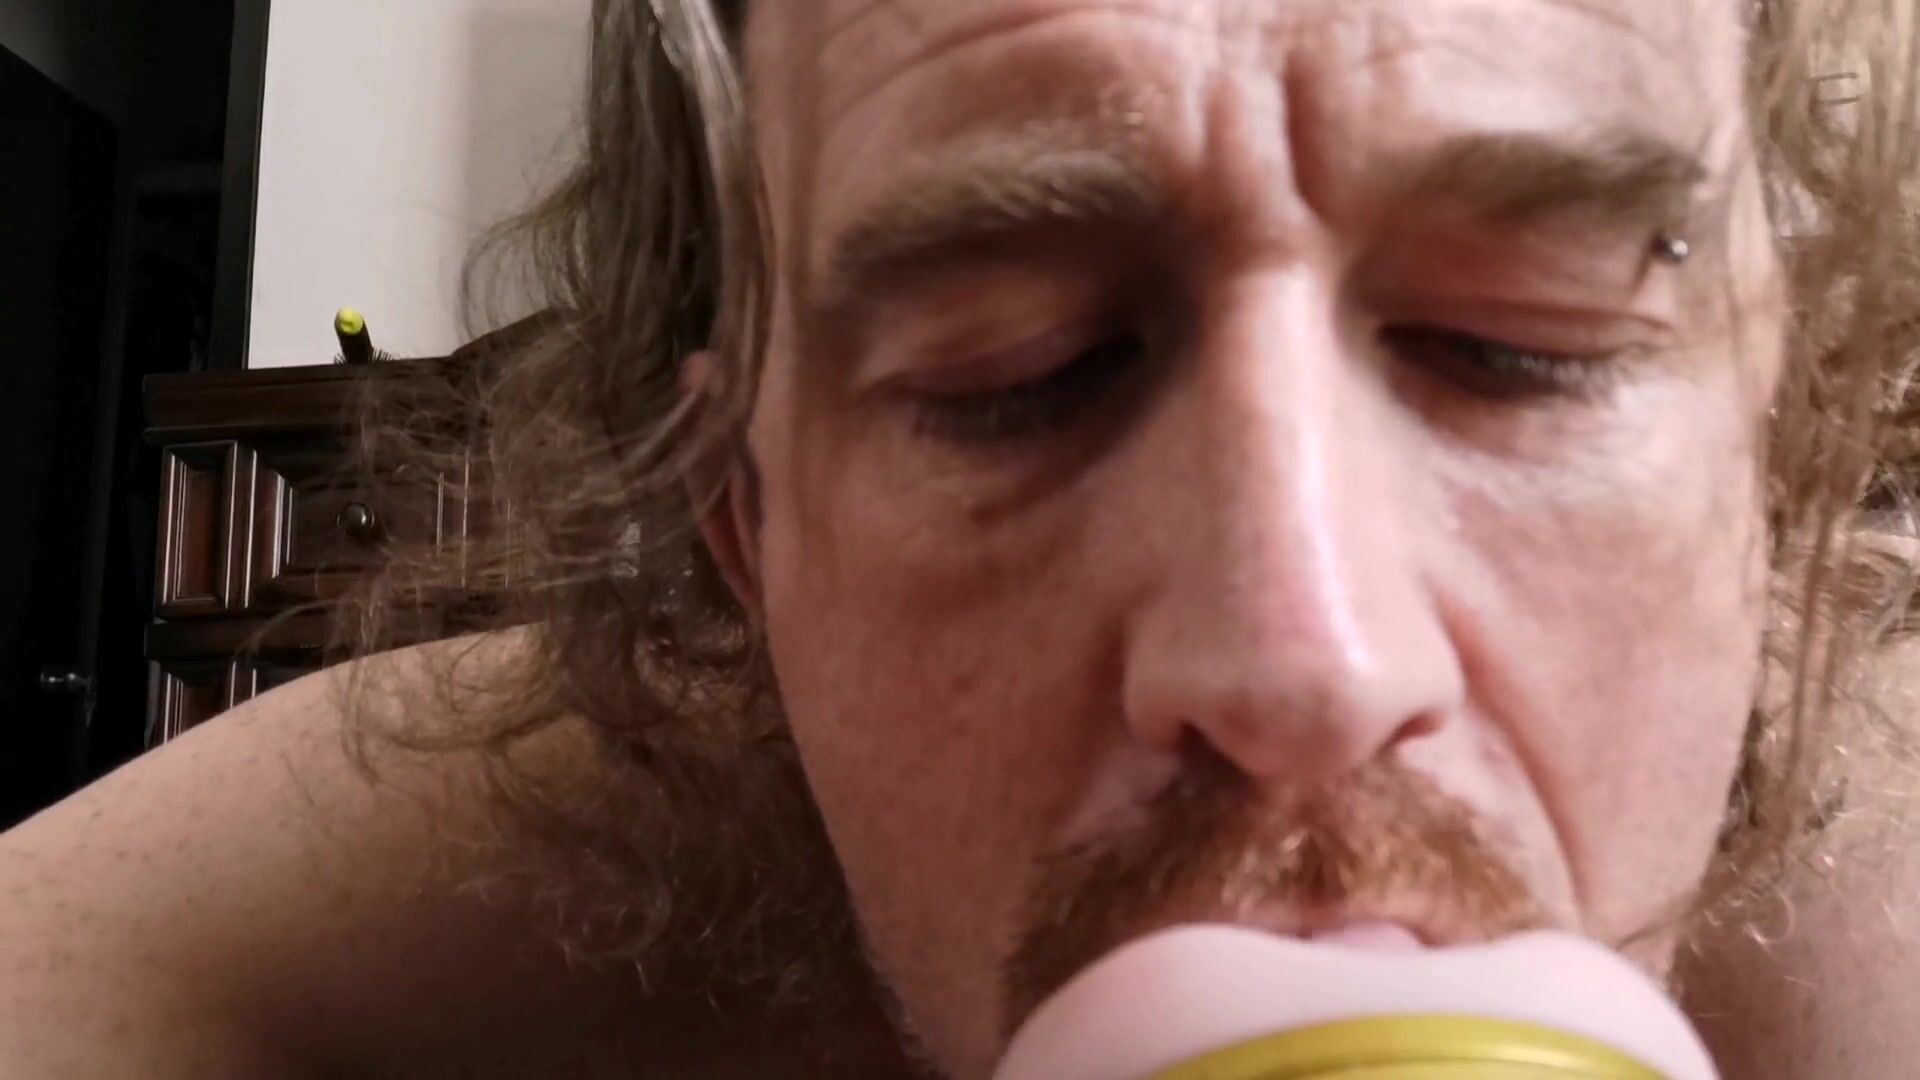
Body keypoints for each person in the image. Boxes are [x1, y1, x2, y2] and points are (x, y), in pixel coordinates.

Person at [4, 0, 1919, 1076]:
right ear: (749, 532)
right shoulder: (391, 905)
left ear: (1778, 452)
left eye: (1525, 347)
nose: (1308, 666)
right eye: (1020, 373)